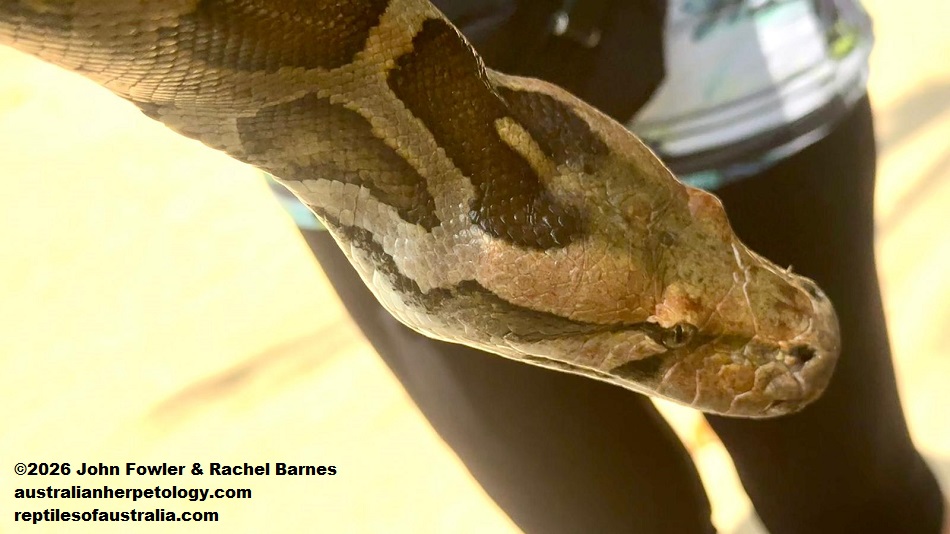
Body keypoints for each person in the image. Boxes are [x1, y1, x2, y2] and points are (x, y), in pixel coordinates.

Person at [268, 1, 947, 531]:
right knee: (596, 519)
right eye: (677, 332)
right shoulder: (433, 253)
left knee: (859, 503)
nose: (805, 329)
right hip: (362, 167)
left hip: (723, 71)